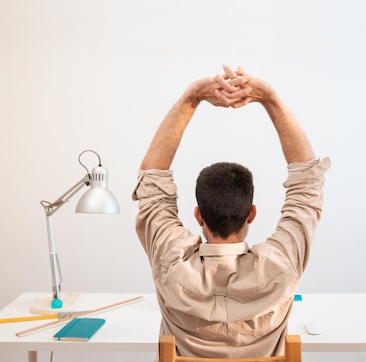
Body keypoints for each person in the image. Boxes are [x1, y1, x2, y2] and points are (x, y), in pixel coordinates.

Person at [132, 65, 331, 358]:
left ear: (198, 215)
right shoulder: (281, 265)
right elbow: (307, 186)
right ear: (251, 214)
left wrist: (191, 97)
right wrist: (269, 98)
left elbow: (151, 181)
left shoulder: (169, 262)